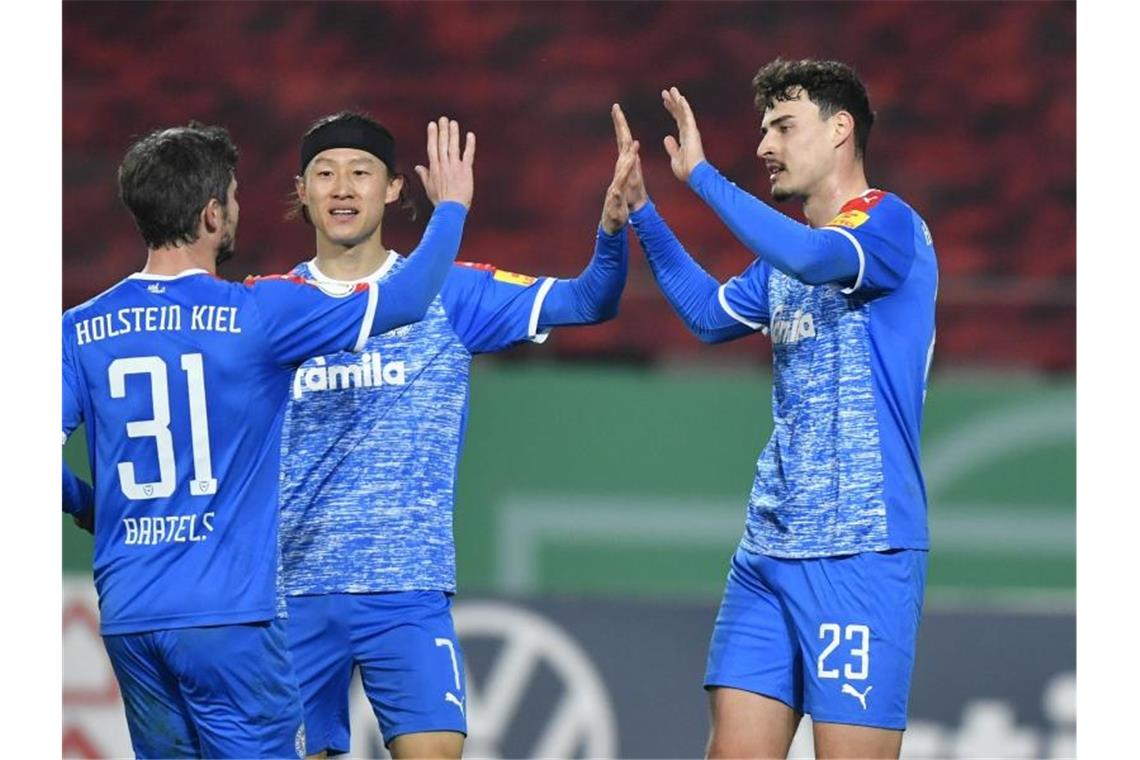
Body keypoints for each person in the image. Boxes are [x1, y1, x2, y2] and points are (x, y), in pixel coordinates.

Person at [61, 117, 474, 758]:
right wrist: (451, 208)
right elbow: (409, 299)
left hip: (128, 616)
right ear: (210, 214)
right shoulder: (256, 313)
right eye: (232, 197)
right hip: (230, 618)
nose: (237, 210)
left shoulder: (80, 328)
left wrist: (92, 505)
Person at [276, 109, 637, 759]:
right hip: (293, 593)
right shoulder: (271, 307)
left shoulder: (453, 292)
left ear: (394, 189)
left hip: (408, 595)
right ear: (301, 191)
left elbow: (590, 301)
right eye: (324, 173)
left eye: (362, 172)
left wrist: (611, 232)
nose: (343, 188)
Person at [612, 58, 938, 759]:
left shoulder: (889, 226)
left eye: (784, 127)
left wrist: (704, 178)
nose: (764, 145)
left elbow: (818, 259)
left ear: (841, 129)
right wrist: (644, 212)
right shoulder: (786, 264)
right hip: (766, 553)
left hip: (859, 551)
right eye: (764, 130)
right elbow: (708, 316)